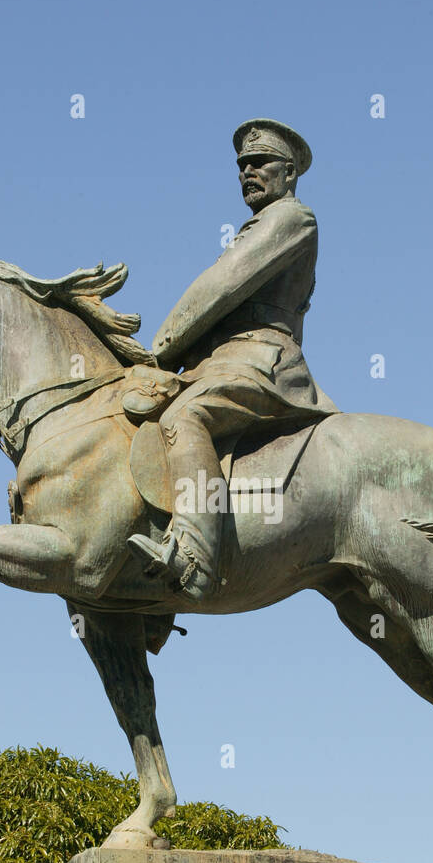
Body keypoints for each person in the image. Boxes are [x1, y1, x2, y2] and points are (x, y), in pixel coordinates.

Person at [127, 118, 337, 599]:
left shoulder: (291, 218)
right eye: (242, 165)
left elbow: (219, 289)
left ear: (289, 173)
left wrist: (158, 352)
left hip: (261, 362)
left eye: (260, 163)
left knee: (184, 416)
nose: (248, 171)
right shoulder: (259, 224)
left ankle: (194, 559)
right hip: (222, 362)